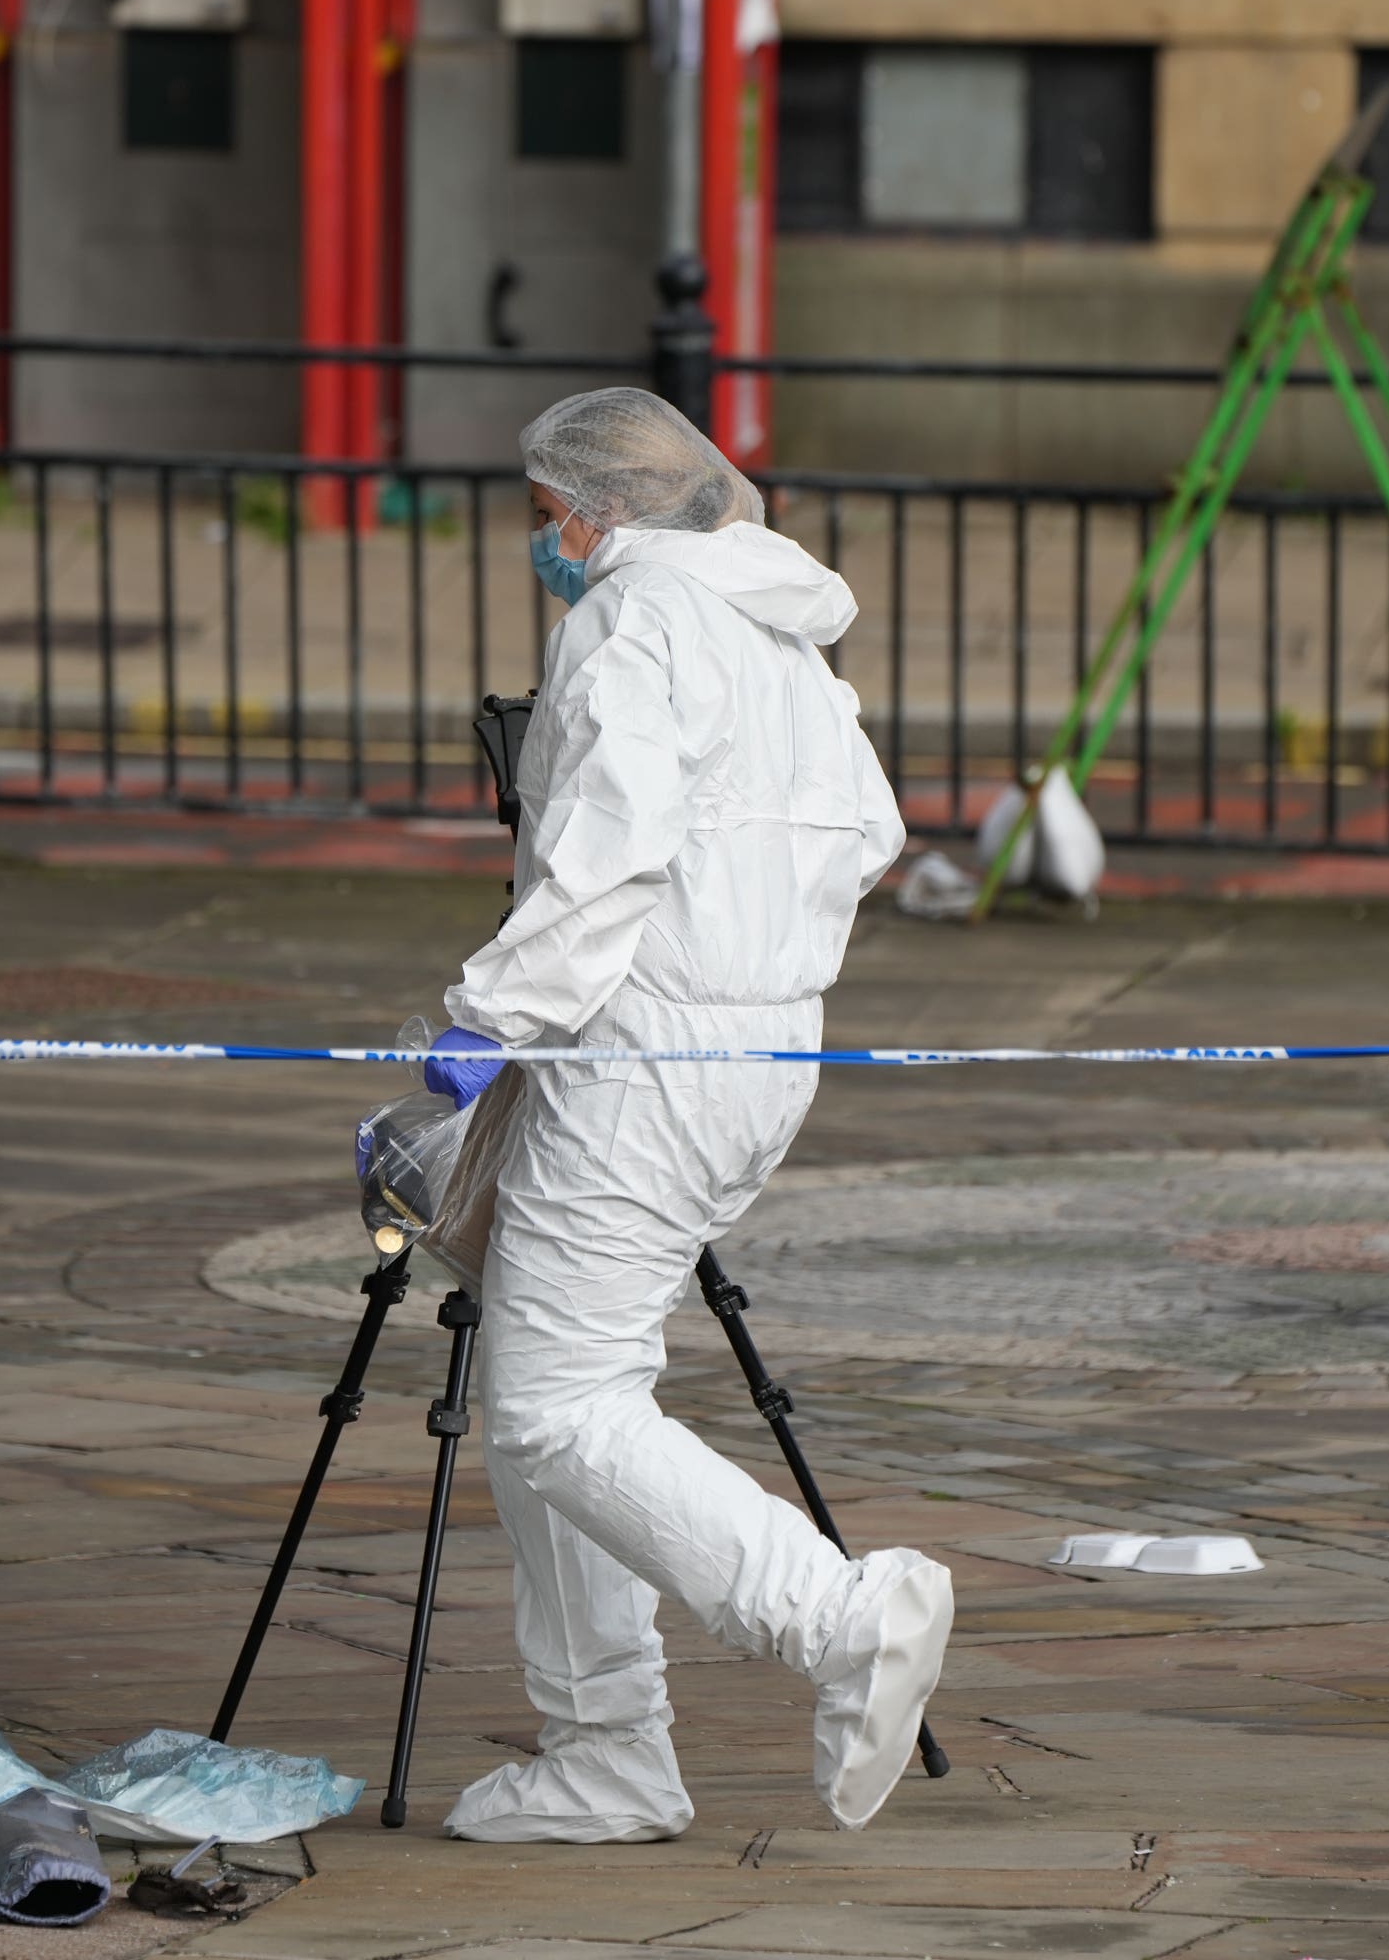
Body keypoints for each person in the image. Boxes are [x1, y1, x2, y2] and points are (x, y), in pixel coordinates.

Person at [418, 388, 946, 1845]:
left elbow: (602, 858)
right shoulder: (778, 632)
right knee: (556, 1382)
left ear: (606, 512)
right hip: (765, 1045)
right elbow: (876, 832)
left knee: (554, 1403)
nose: (544, 542)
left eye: (548, 514)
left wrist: (485, 1020)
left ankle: (840, 1618)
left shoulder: (633, 619)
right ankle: (605, 1748)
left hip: (640, 1051)